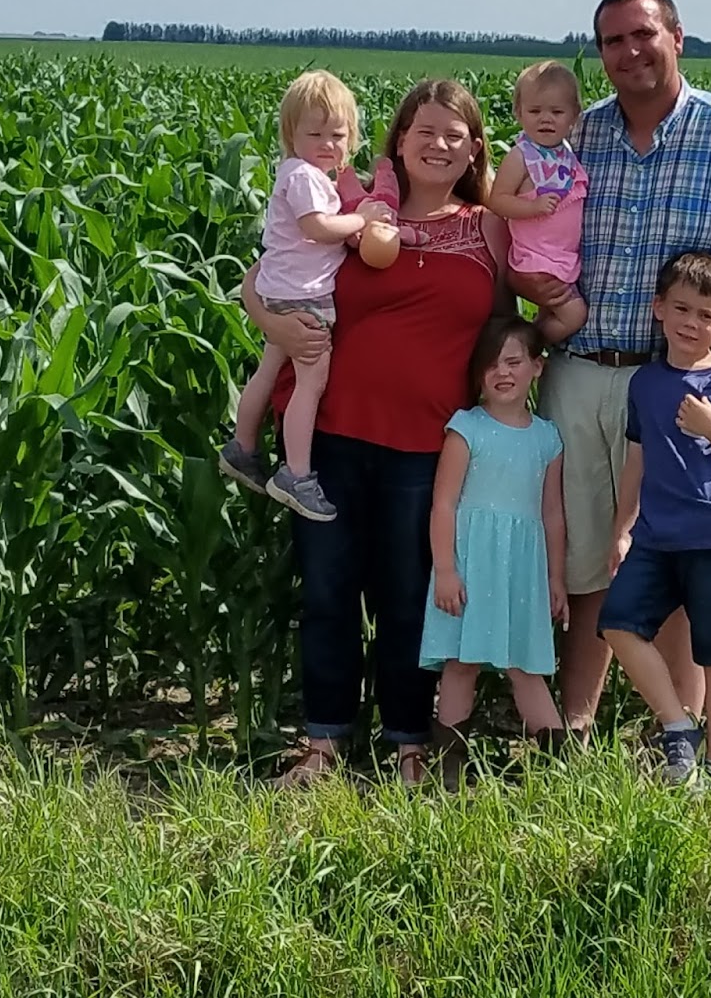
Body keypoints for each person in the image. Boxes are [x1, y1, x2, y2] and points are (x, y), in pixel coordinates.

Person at [525, 0, 711, 741]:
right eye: (612, 41)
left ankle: (674, 733)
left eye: (643, 34)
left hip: (683, 384)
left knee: (677, 551)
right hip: (582, 368)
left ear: (677, 36)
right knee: (588, 553)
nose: (629, 52)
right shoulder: (577, 138)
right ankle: (574, 728)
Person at [245, 78, 511, 788]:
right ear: (398, 141)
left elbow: (523, 316)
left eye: (455, 134)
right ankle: (322, 745)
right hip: (328, 432)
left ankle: (409, 744)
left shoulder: (488, 228)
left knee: (408, 595)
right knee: (329, 591)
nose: (439, 145)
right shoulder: (352, 207)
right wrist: (271, 324)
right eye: (424, 131)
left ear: (474, 150)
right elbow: (264, 276)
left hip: (429, 446)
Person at [600, 253, 711, 788]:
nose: (692, 324)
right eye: (682, 309)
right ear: (658, 309)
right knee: (619, 623)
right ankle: (677, 725)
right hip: (655, 538)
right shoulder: (644, 383)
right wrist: (623, 528)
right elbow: (637, 460)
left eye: (707, 316)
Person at [219, 70, 397, 520]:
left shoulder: (304, 174)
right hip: (303, 298)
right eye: (314, 133)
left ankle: (241, 446)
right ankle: (295, 474)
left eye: (337, 134)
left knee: (268, 368)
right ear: (290, 134)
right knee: (310, 382)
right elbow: (316, 228)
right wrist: (364, 218)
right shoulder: (303, 177)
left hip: (281, 290)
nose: (327, 143)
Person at [420, 316, 570, 790]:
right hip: (470, 563)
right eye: (491, 364)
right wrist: (445, 569)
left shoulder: (548, 438)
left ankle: (561, 775)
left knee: (525, 666)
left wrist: (555, 579)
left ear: (537, 368)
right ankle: (448, 774)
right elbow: (443, 502)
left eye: (513, 361)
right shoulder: (467, 428)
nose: (502, 372)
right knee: (460, 663)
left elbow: (552, 514)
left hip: (522, 569)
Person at [483, 61, 588, 344]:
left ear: (574, 117)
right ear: (518, 113)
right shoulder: (521, 157)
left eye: (556, 112)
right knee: (574, 315)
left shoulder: (567, 153)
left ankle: (529, 339)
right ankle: (529, 344)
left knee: (553, 312)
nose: (546, 119)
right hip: (537, 258)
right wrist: (532, 207)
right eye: (534, 111)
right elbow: (498, 201)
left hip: (559, 255)